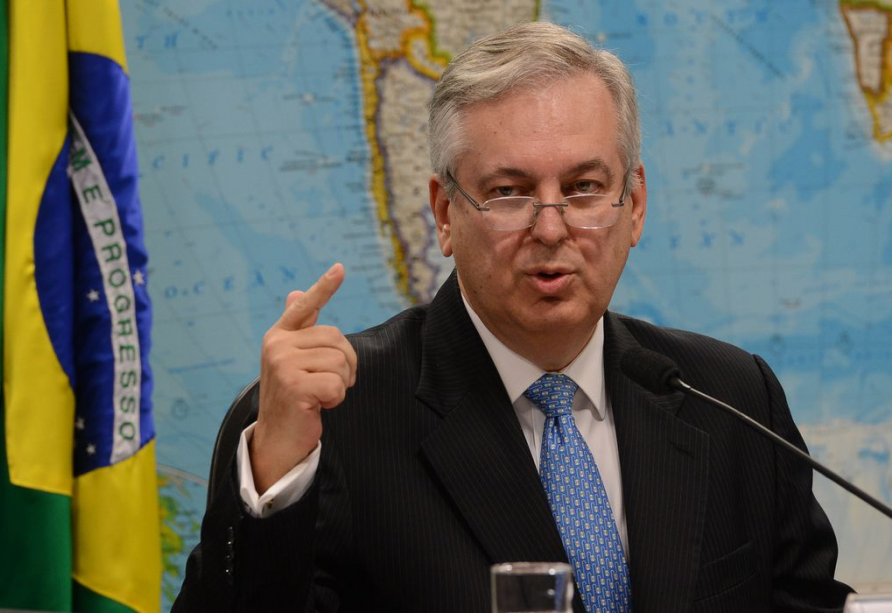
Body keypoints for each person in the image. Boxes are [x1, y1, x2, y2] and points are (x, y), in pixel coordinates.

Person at [174, 21, 853, 612]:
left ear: (634, 204)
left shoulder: (733, 400)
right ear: (445, 214)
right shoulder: (331, 422)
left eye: (584, 187)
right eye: (509, 191)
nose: (551, 228)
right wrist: (279, 479)